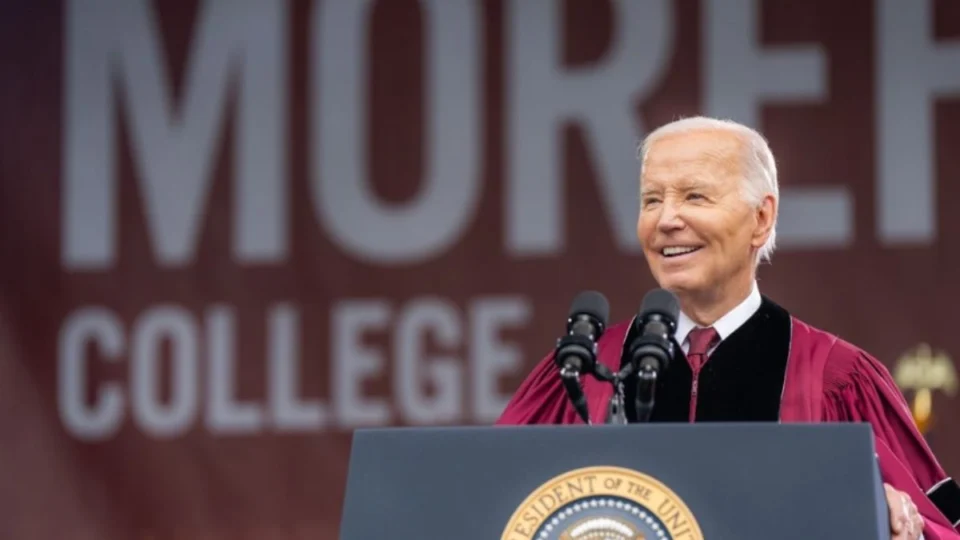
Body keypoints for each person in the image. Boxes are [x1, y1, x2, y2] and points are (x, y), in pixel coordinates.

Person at [496, 117, 960, 540]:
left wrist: (887, 519)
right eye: (651, 199)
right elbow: (487, 506)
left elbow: (941, 525)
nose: (666, 220)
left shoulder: (836, 377)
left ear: (761, 218)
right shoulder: (585, 374)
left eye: (694, 196)